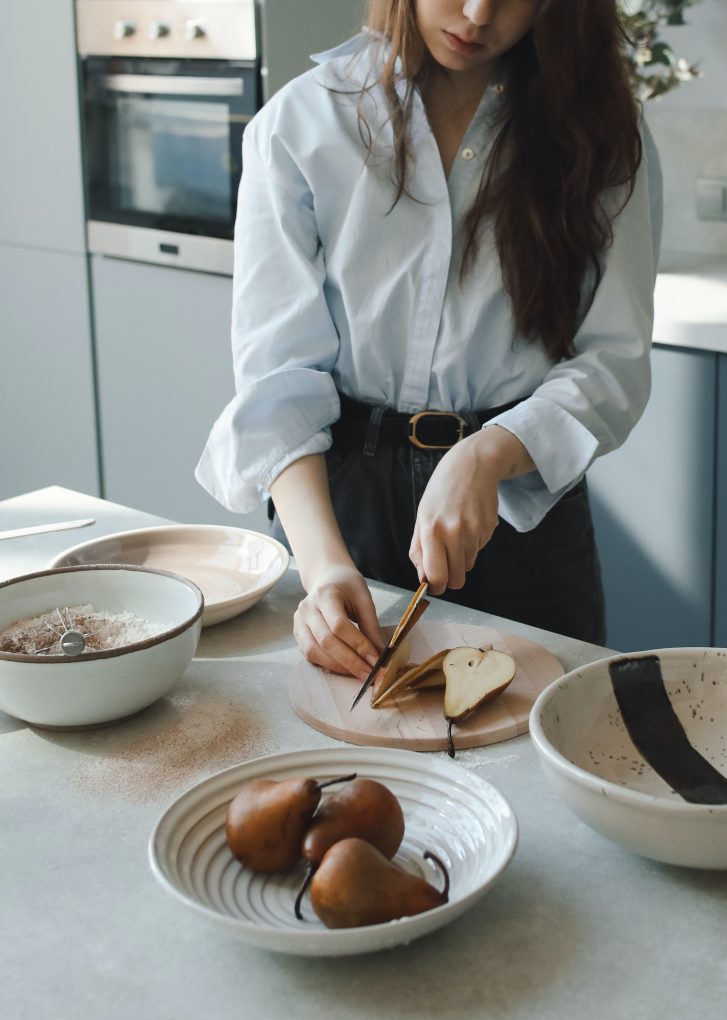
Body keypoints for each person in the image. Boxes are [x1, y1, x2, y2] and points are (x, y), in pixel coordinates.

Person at [196, 0, 663, 683]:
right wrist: (325, 570)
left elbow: (612, 359)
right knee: (342, 768)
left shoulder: (603, 135)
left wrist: (487, 454)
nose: (478, 14)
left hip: (520, 512)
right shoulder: (300, 125)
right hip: (337, 506)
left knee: (541, 756)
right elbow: (277, 380)